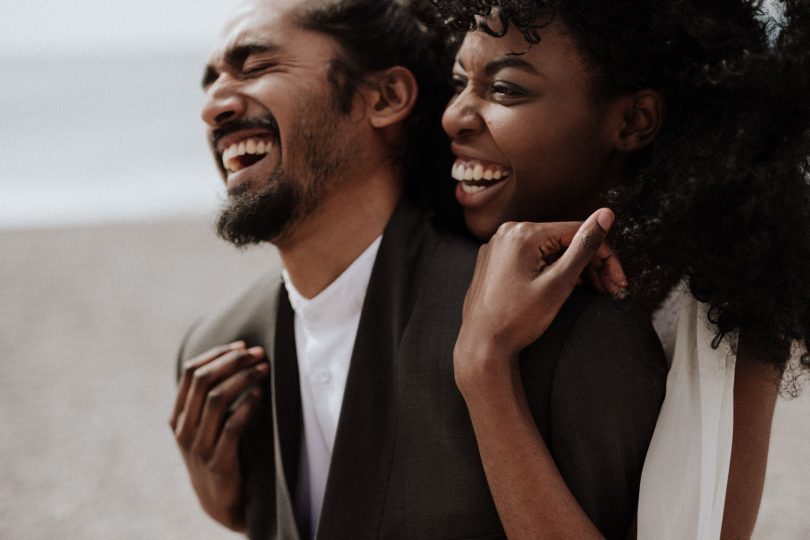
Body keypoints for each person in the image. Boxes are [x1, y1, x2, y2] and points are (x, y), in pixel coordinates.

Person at [168, 0, 668, 538]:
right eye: (211, 80)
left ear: (385, 97)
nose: (212, 106)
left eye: (257, 66)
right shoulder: (217, 356)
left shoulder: (567, 335)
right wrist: (238, 511)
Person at [429, 0, 810, 538]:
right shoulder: (433, 254)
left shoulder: (720, 316)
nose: (453, 115)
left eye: (506, 89)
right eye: (458, 81)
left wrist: (484, 366)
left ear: (633, 121)